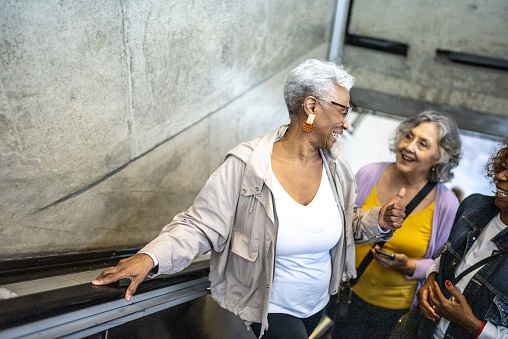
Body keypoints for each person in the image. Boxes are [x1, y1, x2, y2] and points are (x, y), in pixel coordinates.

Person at [92, 59, 407, 339]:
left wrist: (378, 219)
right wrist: (151, 257)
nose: (346, 122)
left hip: (315, 305)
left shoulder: (337, 169)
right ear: (311, 107)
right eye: (342, 110)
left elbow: (346, 220)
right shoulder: (247, 166)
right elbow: (200, 225)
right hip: (267, 308)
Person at [332, 111, 462, 339]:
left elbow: (444, 262)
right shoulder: (369, 173)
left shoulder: (446, 204)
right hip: (349, 294)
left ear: (439, 157)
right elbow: (339, 223)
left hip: (397, 312)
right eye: (408, 137)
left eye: (423, 144)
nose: (409, 147)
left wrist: (411, 267)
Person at [417, 138, 508, 338]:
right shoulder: (473, 206)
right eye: (502, 167)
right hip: (423, 330)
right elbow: (446, 255)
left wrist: (472, 324)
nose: (500, 176)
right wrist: (430, 281)